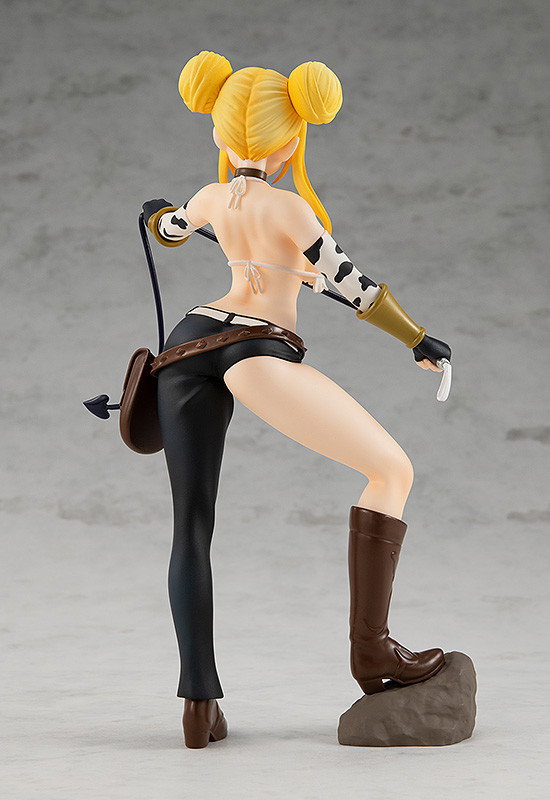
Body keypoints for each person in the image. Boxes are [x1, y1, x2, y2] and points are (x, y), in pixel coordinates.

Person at [142, 51, 452, 749]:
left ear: (221, 135)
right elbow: (355, 287)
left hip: (187, 345)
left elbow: (172, 229)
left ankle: (198, 706)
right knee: (391, 471)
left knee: (191, 527)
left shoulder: (210, 196)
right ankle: (373, 653)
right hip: (256, 351)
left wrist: (161, 214)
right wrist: (418, 337)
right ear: (291, 141)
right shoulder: (292, 207)